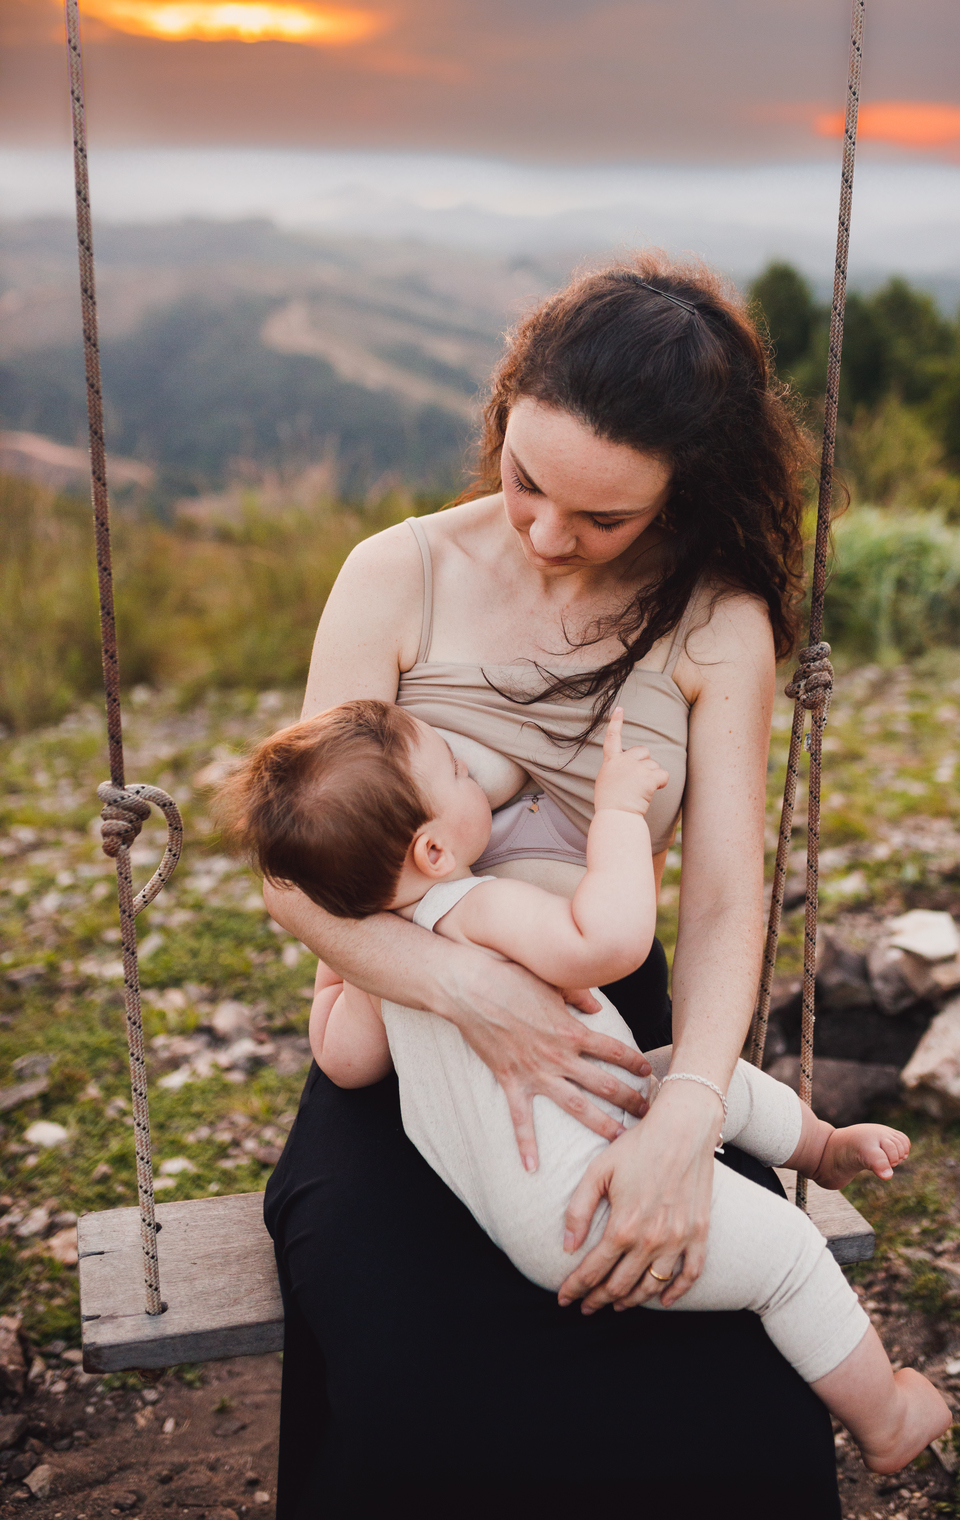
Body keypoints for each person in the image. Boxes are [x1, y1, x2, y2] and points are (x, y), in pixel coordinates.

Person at [261, 261, 856, 1511]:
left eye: (603, 518)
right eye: (526, 481)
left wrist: (690, 1117)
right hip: (408, 1035)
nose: (543, 534)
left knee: (742, 1413)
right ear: (504, 411)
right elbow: (298, 879)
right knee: (425, 1406)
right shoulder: (398, 572)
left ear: (683, 492)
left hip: (614, 1039)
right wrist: (470, 990)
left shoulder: (715, 622)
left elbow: (723, 901)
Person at [226, 698, 951, 1473]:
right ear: (434, 849)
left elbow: (344, 1061)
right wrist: (617, 815)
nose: (480, 780)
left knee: (689, 1073)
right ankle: (888, 1419)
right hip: (592, 1204)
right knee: (790, 1260)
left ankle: (819, 1147)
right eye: (462, 773)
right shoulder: (478, 904)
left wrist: (341, 972)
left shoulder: (388, 969)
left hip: (545, 1194)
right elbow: (608, 941)